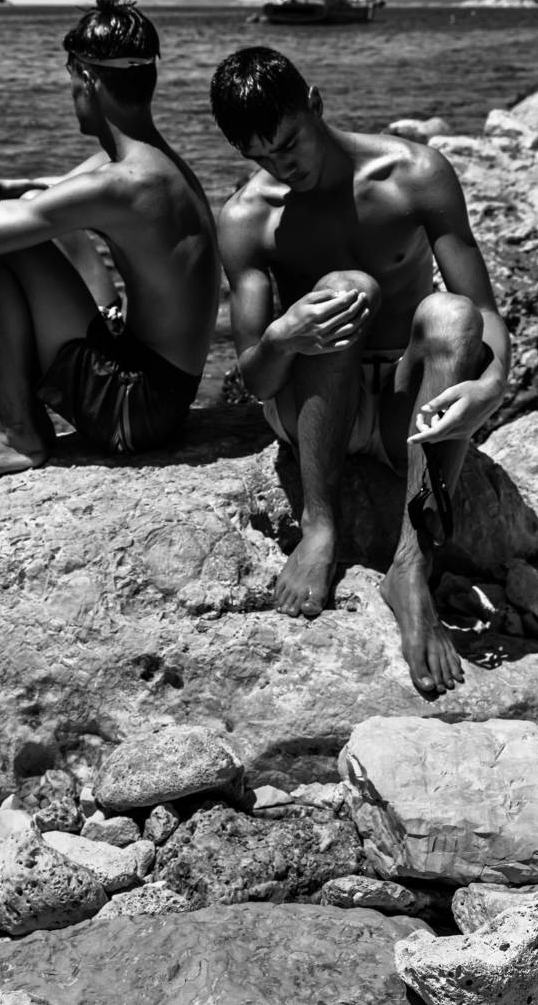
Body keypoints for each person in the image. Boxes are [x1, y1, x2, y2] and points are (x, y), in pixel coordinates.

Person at [209, 46, 510, 699]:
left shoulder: (415, 173)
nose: (283, 166)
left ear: (315, 104)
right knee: (348, 287)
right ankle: (321, 525)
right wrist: (283, 335)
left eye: (290, 143)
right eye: (261, 156)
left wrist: (492, 385)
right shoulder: (247, 217)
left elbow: (483, 310)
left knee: (453, 315)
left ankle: (410, 567)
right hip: (319, 408)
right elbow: (257, 379)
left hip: (410, 404)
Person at [0, 0, 221, 490]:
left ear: (88, 80)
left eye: (71, 83)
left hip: (136, 411)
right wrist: (2, 188)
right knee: (34, 218)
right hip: (162, 391)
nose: (72, 96)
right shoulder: (152, 162)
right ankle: (19, 422)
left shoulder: (123, 183)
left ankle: (14, 430)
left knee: (1, 242)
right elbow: (52, 192)